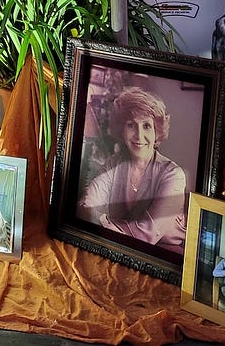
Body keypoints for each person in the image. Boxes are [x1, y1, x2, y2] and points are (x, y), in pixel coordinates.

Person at [78, 87, 186, 250]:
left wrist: (103, 222)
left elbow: (146, 234)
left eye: (147, 126)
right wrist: (97, 218)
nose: (139, 135)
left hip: (164, 252)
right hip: (114, 244)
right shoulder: (112, 164)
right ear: (122, 130)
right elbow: (87, 207)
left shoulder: (173, 175)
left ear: (157, 131)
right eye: (131, 125)